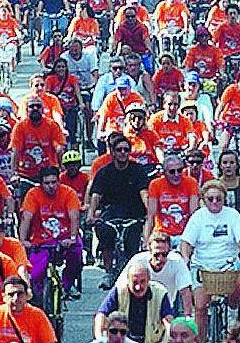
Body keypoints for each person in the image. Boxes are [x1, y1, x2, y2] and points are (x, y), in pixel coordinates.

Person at [180, 180, 240, 343]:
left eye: (218, 198)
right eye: (210, 199)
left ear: (224, 198)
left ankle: (232, 311)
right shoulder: (198, 217)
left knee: (239, 279)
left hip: (228, 263)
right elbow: (186, 242)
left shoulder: (232, 215)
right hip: (203, 265)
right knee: (200, 307)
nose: (214, 202)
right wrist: (185, 258)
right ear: (204, 200)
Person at [87, 135, 149, 289]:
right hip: (111, 213)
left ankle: (133, 273)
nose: (123, 153)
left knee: (132, 242)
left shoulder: (138, 171)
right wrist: (91, 214)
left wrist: (150, 212)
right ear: (113, 152)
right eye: (119, 150)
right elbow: (96, 195)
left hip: (133, 213)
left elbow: (144, 193)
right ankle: (108, 272)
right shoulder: (104, 172)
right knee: (105, 234)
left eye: (126, 150)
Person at [18, 165, 82, 306]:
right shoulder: (33, 194)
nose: (51, 186)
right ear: (41, 184)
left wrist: (72, 238)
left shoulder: (68, 193)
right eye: (47, 183)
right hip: (41, 241)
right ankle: (39, 301)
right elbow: (26, 217)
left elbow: (74, 216)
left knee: (76, 253)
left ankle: (67, 285)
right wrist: (22, 240)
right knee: (35, 275)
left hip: (65, 239)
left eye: (54, 182)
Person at [114, 229, 194, 323]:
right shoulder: (138, 260)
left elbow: (185, 292)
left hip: (165, 309)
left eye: (164, 254)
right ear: (149, 251)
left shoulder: (176, 261)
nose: (160, 259)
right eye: (156, 255)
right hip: (138, 307)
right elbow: (119, 287)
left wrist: (188, 319)